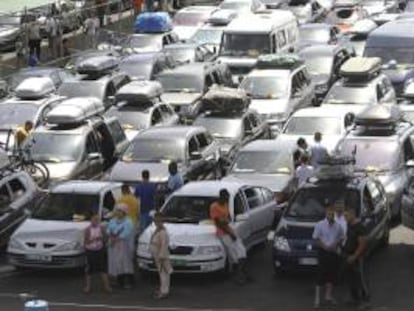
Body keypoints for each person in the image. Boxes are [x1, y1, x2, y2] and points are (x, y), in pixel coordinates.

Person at [210, 189, 248, 285]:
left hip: (229, 229)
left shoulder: (226, 204)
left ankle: (241, 274)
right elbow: (219, 223)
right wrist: (230, 234)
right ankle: (238, 276)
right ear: (221, 197)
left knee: (241, 251)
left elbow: (227, 218)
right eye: (226, 197)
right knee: (234, 254)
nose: (227, 199)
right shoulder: (214, 207)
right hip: (223, 232)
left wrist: (230, 226)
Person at [312, 204, 345, 308]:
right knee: (321, 275)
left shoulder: (338, 226)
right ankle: (317, 299)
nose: (330, 216)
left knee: (332, 274)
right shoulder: (319, 225)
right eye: (328, 214)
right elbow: (315, 238)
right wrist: (324, 246)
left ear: (334, 214)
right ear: (326, 214)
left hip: (333, 252)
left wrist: (335, 244)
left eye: (332, 214)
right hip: (323, 252)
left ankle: (328, 296)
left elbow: (342, 237)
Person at [343, 206, 369, 309]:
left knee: (361, 280)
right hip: (349, 256)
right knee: (352, 279)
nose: (345, 217)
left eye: (346, 215)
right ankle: (355, 299)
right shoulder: (350, 225)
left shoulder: (360, 227)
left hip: (358, 258)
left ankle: (365, 301)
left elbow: (362, 244)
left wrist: (354, 256)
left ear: (352, 214)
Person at [107, 204, 135, 289]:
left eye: (120, 211)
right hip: (113, 244)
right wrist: (111, 235)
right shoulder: (112, 220)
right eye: (117, 210)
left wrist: (117, 237)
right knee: (115, 262)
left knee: (125, 263)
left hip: (124, 246)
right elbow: (108, 229)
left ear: (124, 212)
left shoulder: (128, 222)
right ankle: (117, 280)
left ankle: (127, 282)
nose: (118, 213)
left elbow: (126, 233)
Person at [83, 212, 112, 293]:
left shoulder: (102, 228)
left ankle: (107, 286)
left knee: (103, 269)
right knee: (89, 270)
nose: (96, 221)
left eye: (97, 219)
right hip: (90, 251)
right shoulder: (87, 229)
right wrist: (93, 240)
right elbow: (85, 242)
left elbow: (106, 239)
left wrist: (102, 239)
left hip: (100, 250)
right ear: (91, 220)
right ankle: (88, 286)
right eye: (94, 219)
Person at [150, 212, 173, 299]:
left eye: (158, 221)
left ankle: (164, 291)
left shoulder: (163, 232)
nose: (156, 222)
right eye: (155, 221)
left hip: (161, 256)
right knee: (163, 273)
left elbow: (164, 245)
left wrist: (162, 256)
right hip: (157, 255)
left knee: (164, 273)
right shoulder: (157, 230)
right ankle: (163, 289)